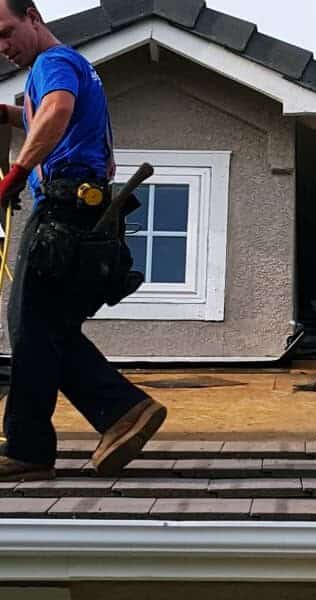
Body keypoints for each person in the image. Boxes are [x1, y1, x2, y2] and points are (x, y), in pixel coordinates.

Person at [0, 0, 166, 481]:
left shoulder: (53, 64)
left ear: (33, 15)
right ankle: (123, 413)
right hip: (87, 214)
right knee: (49, 331)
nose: (4, 47)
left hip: (62, 210)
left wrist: (17, 173)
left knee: (30, 326)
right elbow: (52, 119)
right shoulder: (75, 66)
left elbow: (57, 110)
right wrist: (11, 116)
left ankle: (29, 450)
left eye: (6, 31)